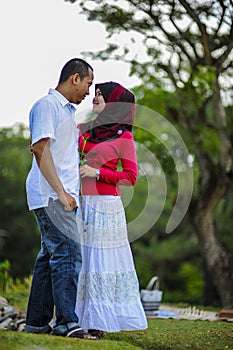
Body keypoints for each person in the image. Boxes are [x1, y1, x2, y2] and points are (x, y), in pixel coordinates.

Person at [25, 58, 97, 339]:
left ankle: (37, 324)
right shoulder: (48, 105)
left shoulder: (65, 112)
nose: (88, 93)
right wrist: (62, 193)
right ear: (75, 78)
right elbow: (40, 150)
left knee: (49, 258)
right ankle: (68, 324)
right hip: (52, 196)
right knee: (68, 256)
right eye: (88, 85)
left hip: (56, 195)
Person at [75, 82, 148, 336]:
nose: (95, 98)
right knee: (82, 261)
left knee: (101, 263)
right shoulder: (84, 131)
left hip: (106, 207)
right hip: (82, 204)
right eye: (94, 93)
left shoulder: (124, 137)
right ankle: (77, 321)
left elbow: (130, 177)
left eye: (101, 95)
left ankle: (99, 324)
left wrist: (97, 173)